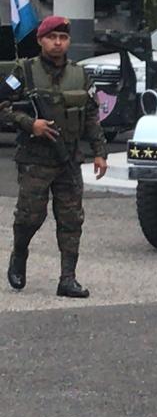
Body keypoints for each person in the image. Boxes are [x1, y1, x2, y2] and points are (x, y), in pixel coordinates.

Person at [3, 15, 108, 297]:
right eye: (52, 37)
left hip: (69, 159)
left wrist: (99, 153)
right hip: (35, 159)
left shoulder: (81, 75)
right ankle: (19, 253)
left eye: (63, 38)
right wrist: (30, 124)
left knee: (71, 220)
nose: (58, 43)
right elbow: (3, 107)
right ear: (41, 40)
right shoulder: (23, 71)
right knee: (29, 217)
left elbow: (91, 116)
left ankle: (67, 279)